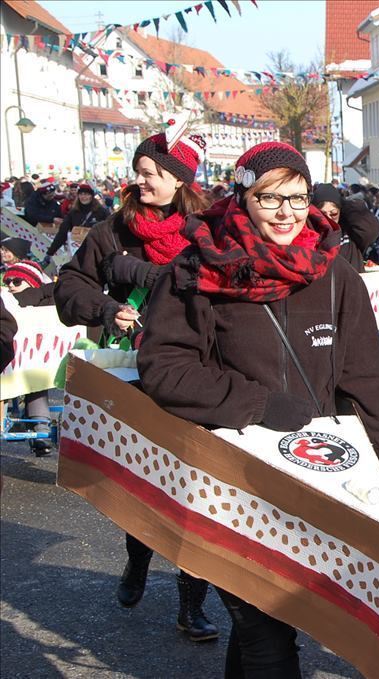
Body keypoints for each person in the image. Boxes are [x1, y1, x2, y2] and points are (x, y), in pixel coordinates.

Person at [137, 142, 379, 678]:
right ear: (242, 196)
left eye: (296, 198)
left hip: (310, 476)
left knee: (268, 627)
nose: (285, 212)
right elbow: (163, 369)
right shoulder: (198, 268)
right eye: (268, 197)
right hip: (225, 477)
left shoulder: (335, 272)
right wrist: (257, 404)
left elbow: (366, 382)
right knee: (267, 633)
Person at [52, 127, 219, 642]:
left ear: (179, 181)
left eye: (150, 174)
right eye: (139, 172)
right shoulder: (112, 230)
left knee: (199, 491)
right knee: (147, 481)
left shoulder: (210, 231)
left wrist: (146, 274)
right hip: (136, 371)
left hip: (200, 372)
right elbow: (70, 286)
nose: (139, 181)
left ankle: (192, 604)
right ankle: (137, 558)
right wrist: (105, 306)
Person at [3, 260, 55, 456]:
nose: (11, 287)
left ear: (32, 284)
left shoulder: (45, 302)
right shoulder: (5, 301)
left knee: (35, 383)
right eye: (7, 282)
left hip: (34, 364)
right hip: (8, 361)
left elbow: (58, 288)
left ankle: (41, 431)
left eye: (17, 282)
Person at [312, 182, 379, 273]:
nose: (328, 219)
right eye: (323, 214)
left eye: (333, 214)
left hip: (352, 283)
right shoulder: (311, 234)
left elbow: (371, 230)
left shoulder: (349, 232)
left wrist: (344, 203)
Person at [45, 184, 111, 261]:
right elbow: (62, 232)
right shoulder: (73, 213)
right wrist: (50, 253)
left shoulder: (101, 211)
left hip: (96, 250)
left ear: (91, 196)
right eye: (81, 194)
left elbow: (110, 229)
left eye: (86, 194)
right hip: (78, 249)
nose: (83, 197)